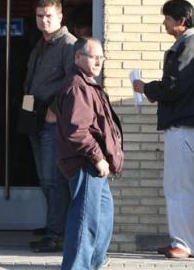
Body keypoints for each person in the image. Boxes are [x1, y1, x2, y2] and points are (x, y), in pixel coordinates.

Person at [132, 0, 194, 259]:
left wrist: (147, 88)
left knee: (180, 188)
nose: (164, 22)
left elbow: (175, 85)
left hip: (183, 126)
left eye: (167, 18)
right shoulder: (188, 44)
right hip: (182, 126)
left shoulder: (189, 44)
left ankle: (184, 245)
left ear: (181, 20)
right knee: (176, 187)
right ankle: (181, 240)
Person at [55, 37, 124, 270]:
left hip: (94, 165)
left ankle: (94, 262)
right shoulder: (78, 86)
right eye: (93, 57)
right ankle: (77, 267)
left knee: (103, 216)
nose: (98, 61)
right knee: (86, 220)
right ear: (78, 57)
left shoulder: (88, 84)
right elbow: (78, 132)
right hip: (86, 163)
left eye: (101, 57)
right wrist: (98, 157)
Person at [22, 0, 76, 252]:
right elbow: (32, 84)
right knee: (45, 179)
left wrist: (55, 109)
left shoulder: (68, 44)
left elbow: (74, 84)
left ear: (60, 17)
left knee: (53, 179)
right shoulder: (41, 44)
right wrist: (25, 114)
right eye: (39, 16)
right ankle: (53, 227)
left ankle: (57, 234)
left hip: (53, 120)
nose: (43, 21)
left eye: (49, 16)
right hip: (35, 116)